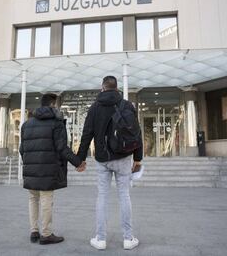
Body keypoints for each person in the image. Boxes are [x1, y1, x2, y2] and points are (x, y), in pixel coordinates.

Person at [77, 76, 143, 250]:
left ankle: (100, 239)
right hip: (123, 157)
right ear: (116, 88)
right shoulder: (127, 105)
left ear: (102, 88)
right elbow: (137, 133)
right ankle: (128, 239)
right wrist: (138, 158)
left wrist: (80, 159)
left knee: (102, 197)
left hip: (102, 159)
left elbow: (86, 135)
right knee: (124, 196)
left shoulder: (95, 107)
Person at [19, 93, 85, 245]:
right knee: (46, 199)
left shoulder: (26, 125)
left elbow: (22, 149)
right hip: (48, 169)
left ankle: (34, 231)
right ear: (53, 105)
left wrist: (29, 163)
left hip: (31, 169)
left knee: (33, 199)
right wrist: (78, 162)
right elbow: (61, 148)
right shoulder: (56, 123)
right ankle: (46, 234)